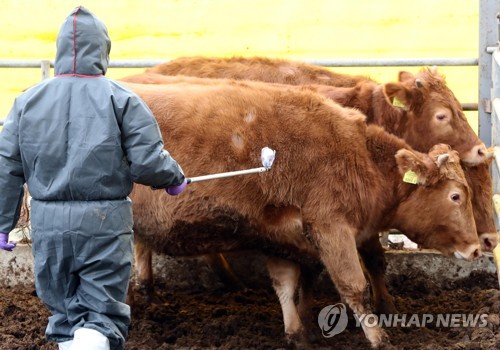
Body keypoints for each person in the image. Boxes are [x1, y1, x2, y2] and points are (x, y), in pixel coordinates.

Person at [0, 6, 187, 350]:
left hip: (49, 224)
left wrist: (2, 223)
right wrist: (174, 178)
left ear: (59, 51)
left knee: (65, 313)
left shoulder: (26, 102)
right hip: (104, 224)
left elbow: (7, 167)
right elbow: (148, 161)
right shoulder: (122, 99)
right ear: (103, 50)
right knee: (100, 313)